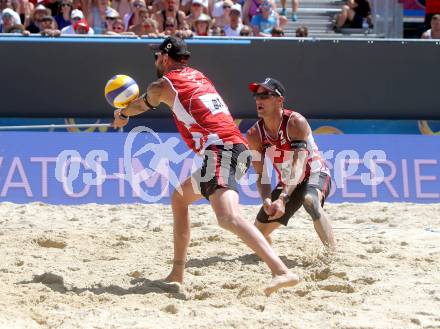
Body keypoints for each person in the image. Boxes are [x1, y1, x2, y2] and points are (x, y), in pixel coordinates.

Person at [111, 36, 299, 296]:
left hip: (221, 150)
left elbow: (143, 104)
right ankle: (177, 273)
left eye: (156, 55)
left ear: (165, 58)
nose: (155, 60)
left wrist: (122, 115)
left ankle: (281, 271)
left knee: (228, 217)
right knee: (179, 197)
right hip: (234, 148)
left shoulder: (163, 84)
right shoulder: (199, 76)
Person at [246, 78, 336, 251]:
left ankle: (331, 256)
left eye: (265, 95)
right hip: (288, 182)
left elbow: (299, 167)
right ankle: (270, 258)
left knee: (309, 200)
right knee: (257, 236)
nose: (258, 100)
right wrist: (266, 200)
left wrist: (282, 199)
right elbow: (261, 175)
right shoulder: (254, 134)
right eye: (256, 95)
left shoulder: (295, 123)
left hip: (314, 174)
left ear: (280, 100)